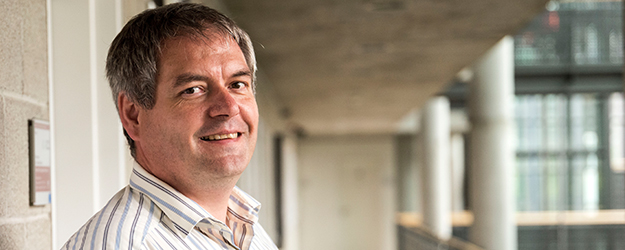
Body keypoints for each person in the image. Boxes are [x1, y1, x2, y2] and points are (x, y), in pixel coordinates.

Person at [62, 3, 278, 250]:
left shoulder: (244, 224)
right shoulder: (123, 244)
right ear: (133, 115)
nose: (229, 106)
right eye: (193, 89)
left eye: (237, 84)